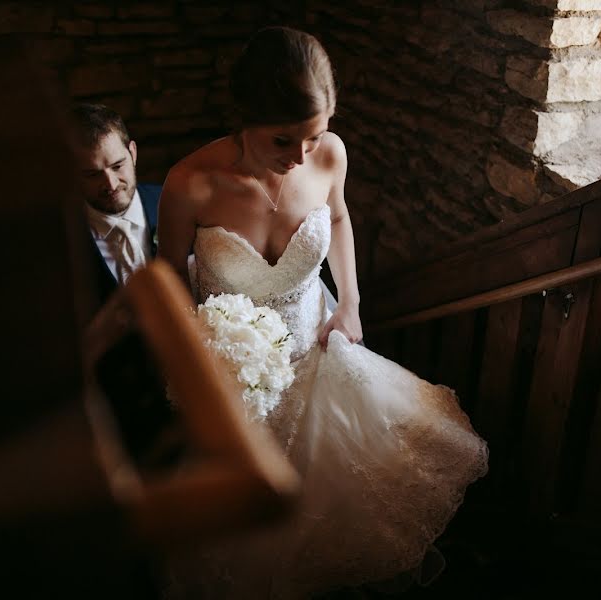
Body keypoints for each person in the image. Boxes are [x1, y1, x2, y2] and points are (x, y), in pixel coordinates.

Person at [157, 27, 488, 598]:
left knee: (333, 499)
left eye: (313, 137)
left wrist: (352, 304)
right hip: (230, 370)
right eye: (283, 141)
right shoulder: (191, 183)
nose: (300, 157)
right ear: (245, 115)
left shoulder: (329, 154)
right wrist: (197, 357)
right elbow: (167, 280)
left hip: (315, 345)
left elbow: (336, 220)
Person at [71, 102, 162, 303]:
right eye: (92, 174)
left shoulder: (170, 202)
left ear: (133, 153)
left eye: (117, 166)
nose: (110, 184)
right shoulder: (65, 238)